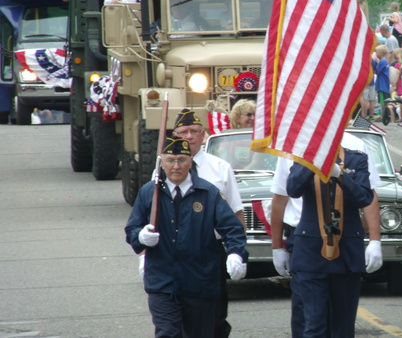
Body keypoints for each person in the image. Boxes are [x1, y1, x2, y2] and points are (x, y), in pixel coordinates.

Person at [125, 137, 248, 338]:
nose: (176, 166)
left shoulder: (207, 193)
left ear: (190, 161)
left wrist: (236, 253)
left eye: (181, 160)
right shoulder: (149, 193)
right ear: (161, 162)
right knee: (168, 333)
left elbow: (232, 228)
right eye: (170, 160)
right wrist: (141, 237)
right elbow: (132, 229)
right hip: (162, 281)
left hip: (199, 281)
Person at [270, 132, 383, 337]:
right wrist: (312, 162)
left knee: (343, 326)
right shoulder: (301, 155)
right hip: (310, 250)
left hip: (347, 248)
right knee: (313, 324)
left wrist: (341, 175)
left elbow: (364, 197)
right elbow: (292, 189)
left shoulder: (357, 156)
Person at [171, 108, 244, 338]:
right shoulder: (164, 168)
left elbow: (236, 214)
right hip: (175, 251)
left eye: (194, 131)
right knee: (175, 316)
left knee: (214, 316)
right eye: (183, 132)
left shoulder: (220, 168)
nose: (189, 136)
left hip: (210, 251)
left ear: (203, 135)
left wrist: (238, 252)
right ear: (174, 135)